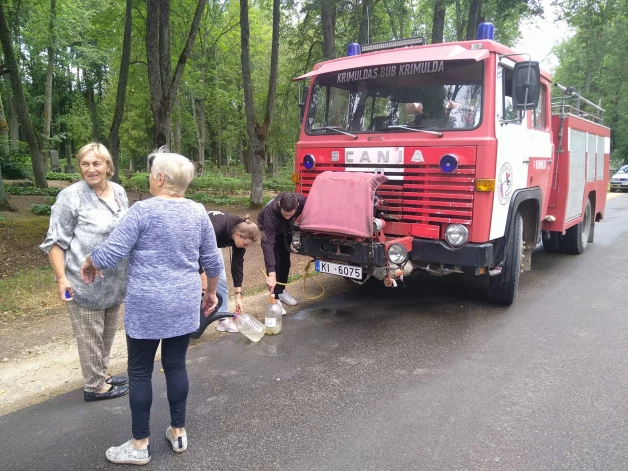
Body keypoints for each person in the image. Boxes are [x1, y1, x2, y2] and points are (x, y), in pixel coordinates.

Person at [80, 150, 223, 466]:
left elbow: (110, 253)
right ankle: (179, 432)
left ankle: (139, 445)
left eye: (150, 174)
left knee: (141, 371)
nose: (148, 178)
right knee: (175, 365)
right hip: (184, 303)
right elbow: (212, 262)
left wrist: (89, 262)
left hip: (147, 305)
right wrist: (211, 293)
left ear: (160, 179)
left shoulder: (141, 211)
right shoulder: (198, 212)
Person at [39, 142, 130, 402]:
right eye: (85, 164)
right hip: (84, 282)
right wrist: (61, 279)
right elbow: (56, 243)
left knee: (107, 334)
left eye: (96, 163)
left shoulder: (119, 192)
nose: (91, 169)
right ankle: (94, 386)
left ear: (108, 166)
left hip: (114, 282)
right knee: (90, 338)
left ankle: (101, 374)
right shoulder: (71, 196)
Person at [200, 211, 261, 333]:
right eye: (245, 244)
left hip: (213, 244)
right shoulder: (216, 229)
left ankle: (222, 320)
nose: (246, 247)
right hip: (197, 241)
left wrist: (238, 295)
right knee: (200, 281)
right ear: (238, 235)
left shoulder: (240, 233)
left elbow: (237, 265)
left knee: (220, 278)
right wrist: (203, 276)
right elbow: (193, 253)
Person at [257, 192, 306, 313]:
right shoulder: (270, 213)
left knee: (285, 262)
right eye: (285, 214)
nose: (287, 217)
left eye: (290, 215)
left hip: (286, 230)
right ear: (279, 204)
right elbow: (268, 244)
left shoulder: (302, 202)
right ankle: (275, 297)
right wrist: (271, 273)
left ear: (297, 205)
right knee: (276, 262)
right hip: (268, 230)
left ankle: (282, 290)